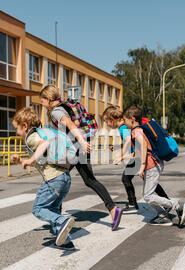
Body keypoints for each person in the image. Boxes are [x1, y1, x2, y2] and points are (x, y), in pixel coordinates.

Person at [39, 85, 123, 231]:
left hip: (72, 150)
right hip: (79, 149)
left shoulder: (57, 111)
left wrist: (82, 142)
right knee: (89, 180)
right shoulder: (65, 107)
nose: (41, 103)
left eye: (42, 100)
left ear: (47, 99)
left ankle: (57, 219)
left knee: (56, 180)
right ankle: (113, 209)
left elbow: (70, 124)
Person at [11, 107, 76, 250]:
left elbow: (44, 145)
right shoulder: (41, 133)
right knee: (52, 209)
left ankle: (63, 221)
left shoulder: (31, 137)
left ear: (25, 126)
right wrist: (23, 160)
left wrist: (30, 160)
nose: (16, 133)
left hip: (53, 180)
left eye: (17, 128)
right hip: (65, 178)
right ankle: (66, 241)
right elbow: (42, 159)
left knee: (38, 209)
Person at [122, 105, 185, 227]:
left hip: (152, 165)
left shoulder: (136, 131)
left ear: (132, 118)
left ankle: (177, 205)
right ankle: (163, 216)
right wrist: (124, 156)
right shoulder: (138, 130)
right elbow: (140, 150)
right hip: (151, 165)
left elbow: (144, 146)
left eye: (125, 120)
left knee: (148, 196)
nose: (124, 124)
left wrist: (141, 166)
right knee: (148, 196)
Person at [102, 106, 171, 214]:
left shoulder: (122, 128)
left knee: (126, 178)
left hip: (138, 157)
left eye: (107, 122)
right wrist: (117, 147)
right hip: (138, 155)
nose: (107, 125)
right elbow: (128, 141)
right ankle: (166, 201)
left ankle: (133, 204)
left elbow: (128, 140)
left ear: (112, 120)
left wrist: (121, 155)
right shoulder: (125, 127)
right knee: (148, 182)